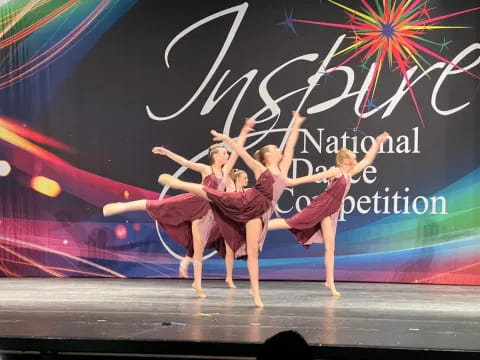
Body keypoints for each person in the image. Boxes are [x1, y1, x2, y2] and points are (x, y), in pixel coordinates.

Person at [159, 111, 306, 307]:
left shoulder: (283, 167)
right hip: (250, 202)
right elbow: (241, 152)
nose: (281, 150)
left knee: (254, 251)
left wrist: (296, 124)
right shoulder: (260, 169)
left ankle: (253, 288)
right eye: (276, 149)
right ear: (268, 155)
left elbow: (291, 146)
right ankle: (178, 184)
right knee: (218, 196)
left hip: (265, 211)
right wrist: (227, 138)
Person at [268, 132, 390, 296]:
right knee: (292, 222)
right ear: (346, 160)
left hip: (332, 210)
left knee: (330, 246)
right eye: (354, 157)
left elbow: (367, 161)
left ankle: (329, 281)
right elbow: (315, 177)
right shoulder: (337, 171)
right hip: (322, 205)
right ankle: (260, 226)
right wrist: (292, 182)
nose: (356, 160)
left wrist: (377, 142)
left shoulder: (348, 174)